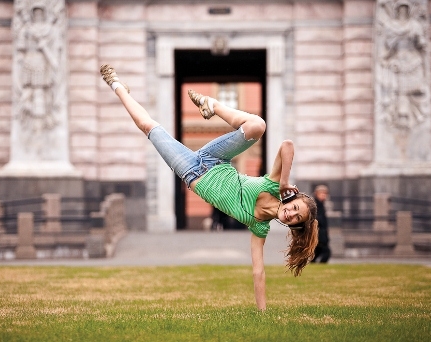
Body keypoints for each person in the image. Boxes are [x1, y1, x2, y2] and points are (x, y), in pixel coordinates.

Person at [100, 64, 318, 310]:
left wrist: (263, 312)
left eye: (294, 218)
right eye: (295, 208)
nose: (290, 214)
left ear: (292, 225)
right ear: (292, 199)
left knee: (148, 127)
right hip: (216, 159)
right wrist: (285, 181)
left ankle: (118, 87)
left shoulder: (259, 227)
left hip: (191, 171)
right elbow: (287, 145)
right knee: (257, 125)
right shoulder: (273, 185)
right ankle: (212, 105)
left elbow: (259, 272)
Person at [312, 185, 331, 263]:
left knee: (317, 252)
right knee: (326, 252)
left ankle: (313, 265)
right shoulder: (314, 204)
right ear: (316, 194)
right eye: (321, 193)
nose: (324, 195)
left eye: (325, 194)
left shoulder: (321, 204)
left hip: (322, 233)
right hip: (318, 232)